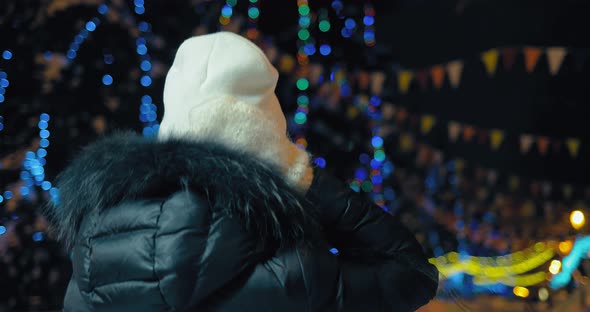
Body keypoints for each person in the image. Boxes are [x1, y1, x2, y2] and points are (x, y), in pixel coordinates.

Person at [45, 32, 438, 311]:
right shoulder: (291, 273)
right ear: (265, 136)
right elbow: (410, 272)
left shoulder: (93, 256)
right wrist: (300, 176)